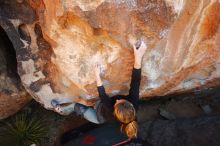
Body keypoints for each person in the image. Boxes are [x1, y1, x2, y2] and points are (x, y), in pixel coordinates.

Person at [51, 40, 147, 139]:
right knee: (88, 103)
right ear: (130, 104)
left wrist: (97, 75)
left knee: (78, 107)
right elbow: (136, 80)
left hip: (99, 116)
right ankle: (86, 105)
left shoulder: (110, 109)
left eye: (117, 103)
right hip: (102, 106)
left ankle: (62, 110)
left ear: (115, 111)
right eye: (121, 100)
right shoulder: (134, 104)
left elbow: (103, 95)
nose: (117, 100)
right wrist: (138, 57)